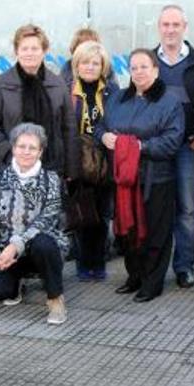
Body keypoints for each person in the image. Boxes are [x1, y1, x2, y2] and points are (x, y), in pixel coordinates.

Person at [96, 49, 184, 302]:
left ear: (156, 70)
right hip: (124, 179)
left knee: (155, 232)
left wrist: (138, 147)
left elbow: (172, 140)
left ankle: (152, 281)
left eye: (144, 67)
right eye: (134, 68)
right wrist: (104, 137)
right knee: (127, 231)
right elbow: (100, 126)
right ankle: (134, 275)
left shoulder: (169, 102)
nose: (138, 72)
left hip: (155, 179)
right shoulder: (117, 98)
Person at [152, 4, 194, 289]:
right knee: (154, 207)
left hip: (188, 148)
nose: (170, 30)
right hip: (155, 147)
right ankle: (153, 268)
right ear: (159, 28)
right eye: (166, 25)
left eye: (175, 25)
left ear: (185, 27)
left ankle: (184, 266)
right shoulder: (147, 60)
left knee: (189, 208)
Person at [0, 123, 70, 325]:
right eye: (21, 146)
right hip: (7, 253)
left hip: (41, 247)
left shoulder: (50, 179)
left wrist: (16, 245)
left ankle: (55, 298)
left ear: (41, 152)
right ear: (13, 148)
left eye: (32, 148)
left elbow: (48, 219)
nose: (26, 152)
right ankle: (17, 282)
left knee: (43, 243)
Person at [0, 24, 79, 179]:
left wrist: (72, 170)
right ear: (16, 52)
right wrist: (8, 153)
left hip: (52, 170)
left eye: (35, 49)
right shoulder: (1, 84)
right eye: (24, 49)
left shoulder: (58, 84)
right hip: (12, 169)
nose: (29, 53)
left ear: (44, 51)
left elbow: (69, 128)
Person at [69, 40, 117, 281]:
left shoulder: (112, 92)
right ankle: (83, 264)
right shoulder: (67, 92)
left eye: (95, 63)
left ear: (103, 66)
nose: (89, 67)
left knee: (103, 215)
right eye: (85, 62)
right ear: (77, 65)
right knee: (81, 215)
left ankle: (99, 263)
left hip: (105, 163)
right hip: (77, 162)